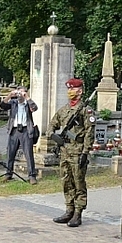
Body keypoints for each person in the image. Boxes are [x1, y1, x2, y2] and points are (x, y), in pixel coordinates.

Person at [49, 79, 95, 227]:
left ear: (80, 91)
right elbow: (52, 124)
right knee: (66, 181)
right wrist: (52, 135)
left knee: (78, 182)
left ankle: (78, 213)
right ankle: (69, 210)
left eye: (73, 89)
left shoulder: (85, 110)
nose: (70, 92)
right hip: (65, 151)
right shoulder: (64, 110)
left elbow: (89, 132)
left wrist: (85, 153)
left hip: (78, 151)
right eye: (69, 89)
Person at [0, 85, 39, 184]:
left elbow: (35, 108)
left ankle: (32, 176)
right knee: (10, 153)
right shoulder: (13, 103)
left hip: (26, 130)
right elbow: (2, 106)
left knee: (28, 154)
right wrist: (9, 95)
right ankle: (8, 173)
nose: (19, 95)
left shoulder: (28, 104)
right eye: (18, 93)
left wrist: (28, 97)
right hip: (14, 129)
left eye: (21, 93)